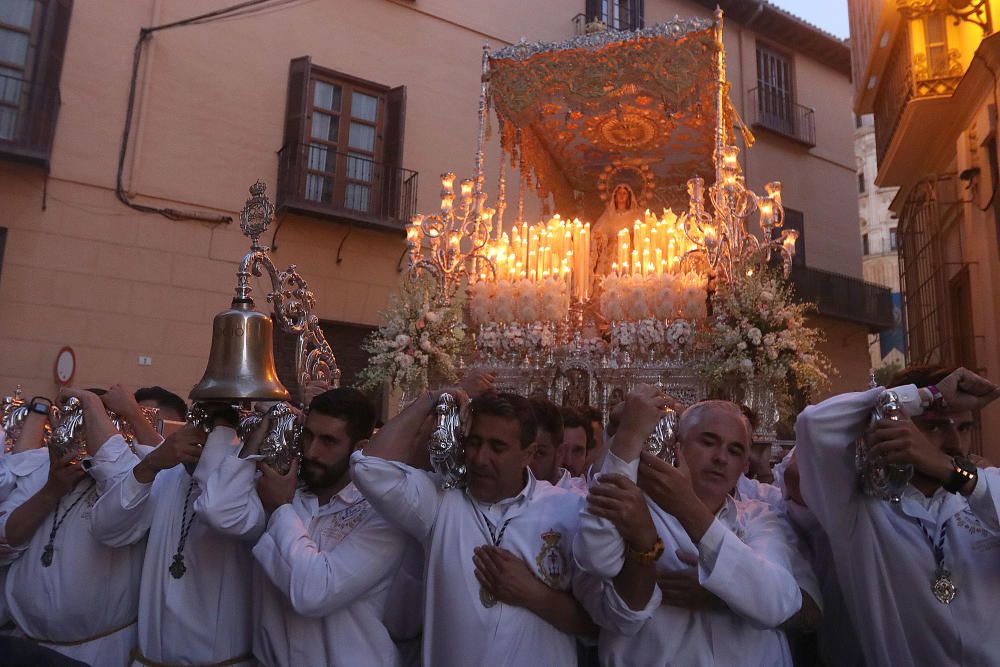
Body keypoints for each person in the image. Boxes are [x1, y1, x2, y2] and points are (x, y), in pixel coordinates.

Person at [352, 390, 594, 667]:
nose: (479, 458)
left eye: (497, 447)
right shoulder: (439, 501)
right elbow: (367, 468)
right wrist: (431, 399)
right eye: (474, 442)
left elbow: (598, 623)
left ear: (528, 454)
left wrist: (534, 594)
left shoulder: (567, 509)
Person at [576, 388, 816, 666]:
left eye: (734, 450)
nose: (721, 458)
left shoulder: (762, 517)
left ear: (743, 465)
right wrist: (628, 435)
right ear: (677, 445)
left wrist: (688, 510)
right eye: (708, 442)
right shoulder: (637, 507)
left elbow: (779, 604)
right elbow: (596, 559)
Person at [795, 365, 1000, 667]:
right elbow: (814, 424)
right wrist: (926, 396)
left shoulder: (986, 487)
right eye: (934, 426)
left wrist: (949, 470)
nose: (955, 443)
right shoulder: (858, 509)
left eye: (965, 427)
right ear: (898, 425)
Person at [196, 388, 407, 667]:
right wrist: (261, 433)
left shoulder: (380, 512)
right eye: (307, 435)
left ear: (359, 449)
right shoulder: (289, 491)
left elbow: (313, 593)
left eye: (328, 441)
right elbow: (217, 510)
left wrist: (281, 509)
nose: (311, 451)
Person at [90, 404, 256, 667]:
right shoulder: (167, 472)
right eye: (199, 423)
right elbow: (107, 529)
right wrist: (151, 465)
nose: (201, 435)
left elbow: (218, 511)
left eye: (214, 431)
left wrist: (226, 434)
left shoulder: (250, 490)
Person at [0, 388, 146, 665]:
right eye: (72, 421)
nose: (80, 434)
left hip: (96, 650)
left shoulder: (131, 477)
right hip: (23, 645)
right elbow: (7, 538)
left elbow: (124, 508)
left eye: (91, 422)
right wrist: (51, 490)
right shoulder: (39, 463)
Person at [592, 183, 641, 276]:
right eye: (619, 193)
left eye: (624, 193)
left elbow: (641, 233)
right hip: (611, 254)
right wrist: (600, 237)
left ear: (629, 196)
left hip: (629, 253)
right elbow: (598, 231)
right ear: (615, 196)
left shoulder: (635, 215)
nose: (622, 196)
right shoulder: (609, 215)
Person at [528, 397, 565, 487]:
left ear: (560, 453)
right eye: (523, 451)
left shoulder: (577, 500)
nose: (528, 462)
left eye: (539, 453)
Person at [560, 407, 594, 478]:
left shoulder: (593, 488)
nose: (568, 462)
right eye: (561, 450)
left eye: (577, 451)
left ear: (586, 455)